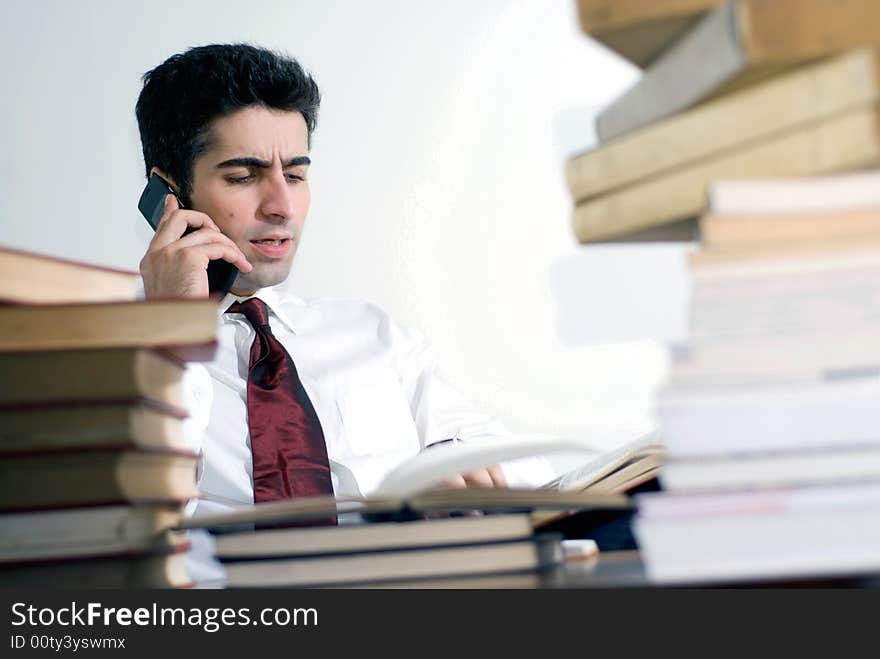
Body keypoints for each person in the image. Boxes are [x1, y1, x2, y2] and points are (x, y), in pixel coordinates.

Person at [135, 43, 553, 527]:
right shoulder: (93, 360)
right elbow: (121, 527)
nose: (282, 207)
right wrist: (171, 338)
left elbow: (524, 468)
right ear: (168, 195)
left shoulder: (370, 334)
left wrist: (453, 471)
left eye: (294, 175)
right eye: (244, 176)